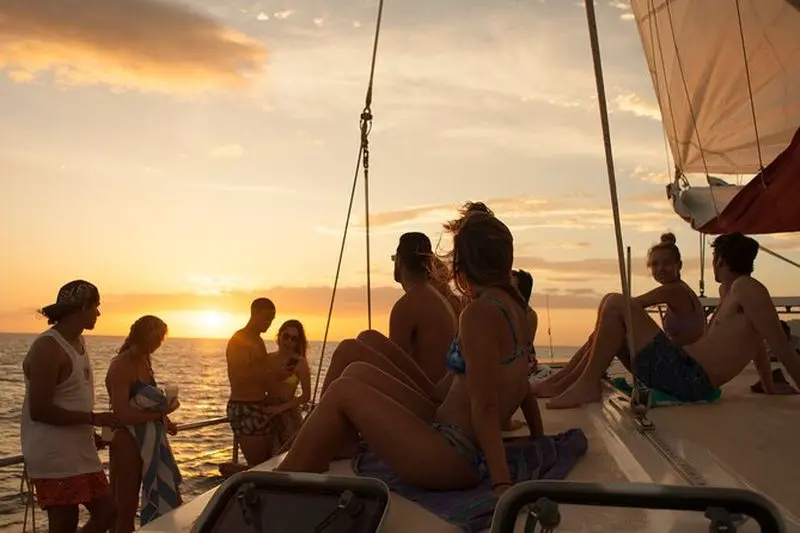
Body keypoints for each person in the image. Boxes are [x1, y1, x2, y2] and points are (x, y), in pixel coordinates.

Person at [277, 211, 543, 496]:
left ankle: (277, 483)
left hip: (453, 454)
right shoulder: (518, 310)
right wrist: (538, 437)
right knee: (357, 371)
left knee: (343, 390)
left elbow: (486, 407)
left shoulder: (479, 313)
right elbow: (519, 384)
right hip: (453, 434)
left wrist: (502, 485)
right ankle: (330, 445)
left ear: (463, 262)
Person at [545, 232, 800, 409]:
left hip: (691, 378)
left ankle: (584, 384)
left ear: (720, 260)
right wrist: (769, 386)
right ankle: (572, 382)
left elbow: (779, 344)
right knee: (612, 320)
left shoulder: (748, 288)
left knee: (615, 302)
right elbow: (756, 342)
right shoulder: (731, 292)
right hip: (680, 369)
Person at [534, 232, 705, 400]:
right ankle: (559, 382)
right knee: (608, 328)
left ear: (679, 265)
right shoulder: (679, 290)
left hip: (681, 374)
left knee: (612, 305)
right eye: (655, 264)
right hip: (675, 367)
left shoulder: (674, 290)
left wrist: (603, 325)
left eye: (666, 263)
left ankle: (564, 383)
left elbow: (624, 306)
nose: (660, 269)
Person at [20, 280, 118, 533]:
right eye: (95, 306)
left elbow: (71, 397)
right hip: (54, 456)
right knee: (64, 523)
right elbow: (39, 410)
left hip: (78, 450)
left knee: (108, 512)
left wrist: (88, 431)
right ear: (83, 307)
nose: (98, 313)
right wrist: (94, 419)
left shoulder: (78, 341)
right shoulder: (48, 348)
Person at [319, 232, 458, 398]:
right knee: (368, 337)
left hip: (425, 396)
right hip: (439, 391)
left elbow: (394, 369)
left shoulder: (407, 305)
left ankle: (317, 415)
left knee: (347, 350)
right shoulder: (436, 299)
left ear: (399, 261)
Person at [105, 316, 181, 532]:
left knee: (170, 497)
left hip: (149, 436)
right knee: (125, 507)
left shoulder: (145, 361)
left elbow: (144, 406)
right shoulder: (121, 365)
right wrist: (159, 416)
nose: (158, 342)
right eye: (156, 337)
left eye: (161, 338)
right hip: (126, 440)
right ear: (143, 335)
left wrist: (165, 420)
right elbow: (123, 413)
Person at [225, 298, 291, 467]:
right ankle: (234, 474)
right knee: (258, 464)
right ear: (254, 314)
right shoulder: (239, 340)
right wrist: (273, 373)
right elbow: (240, 376)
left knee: (269, 462)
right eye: (266, 318)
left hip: (262, 407)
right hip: (244, 408)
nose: (269, 323)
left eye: (272, 319)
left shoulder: (258, 340)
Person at [262, 319, 312, 457]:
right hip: (267, 412)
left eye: (294, 338)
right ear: (279, 335)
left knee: (286, 455)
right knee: (266, 457)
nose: (289, 341)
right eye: (286, 336)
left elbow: (306, 396)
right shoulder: (267, 358)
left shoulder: (299, 363)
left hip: (288, 415)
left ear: (298, 342)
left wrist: (280, 408)